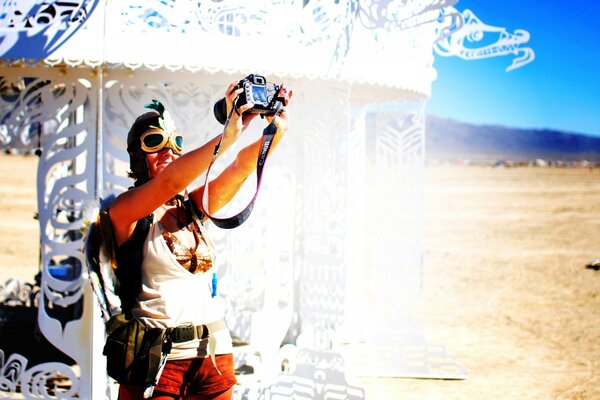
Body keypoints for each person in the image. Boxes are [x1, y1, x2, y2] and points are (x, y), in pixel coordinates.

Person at [106, 81, 292, 400]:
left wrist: (275, 130)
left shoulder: (190, 207)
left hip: (214, 354)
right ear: (138, 155)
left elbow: (239, 169)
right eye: (155, 142)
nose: (168, 150)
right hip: (157, 360)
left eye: (175, 143)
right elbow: (171, 179)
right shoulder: (123, 211)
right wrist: (227, 136)